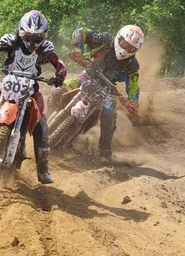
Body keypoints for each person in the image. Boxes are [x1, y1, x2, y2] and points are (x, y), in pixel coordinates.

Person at [0, 10, 66, 184]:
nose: (32, 42)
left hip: (32, 89)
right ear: (21, 31)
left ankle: (43, 168)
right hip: (9, 82)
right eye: (29, 36)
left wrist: (59, 77)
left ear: (43, 37)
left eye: (37, 38)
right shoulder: (11, 41)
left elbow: (60, 65)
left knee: (42, 126)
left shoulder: (46, 49)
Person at [51, 25, 144, 163]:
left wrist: (133, 101)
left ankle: (105, 151)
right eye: (124, 44)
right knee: (59, 90)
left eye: (131, 48)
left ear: (136, 50)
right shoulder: (104, 40)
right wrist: (79, 50)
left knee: (110, 113)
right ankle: (45, 117)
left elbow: (134, 87)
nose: (126, 49)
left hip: (107, 90)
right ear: (119, 37)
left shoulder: (132, 65)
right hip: (87, 77)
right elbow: (81, 32)